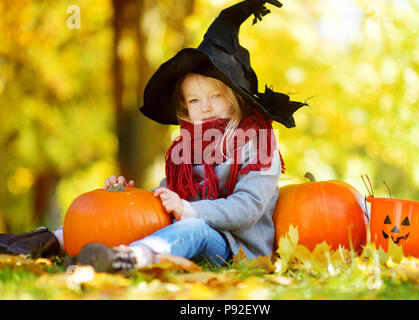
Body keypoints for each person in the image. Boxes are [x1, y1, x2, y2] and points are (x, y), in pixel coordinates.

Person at [0, 0, 308, 272]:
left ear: (237, 98)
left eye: (215, 96)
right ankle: (41, 243)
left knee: (194, 228)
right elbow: (166, 202)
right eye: (195, 101)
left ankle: (130, 258)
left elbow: (249, 206)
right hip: (189, 229)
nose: (206, 107)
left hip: (236, 249)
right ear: (185, 108)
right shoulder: (189, 147)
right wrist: (131, 201)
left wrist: (190, 209)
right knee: (118, 214)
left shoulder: (259, 143)